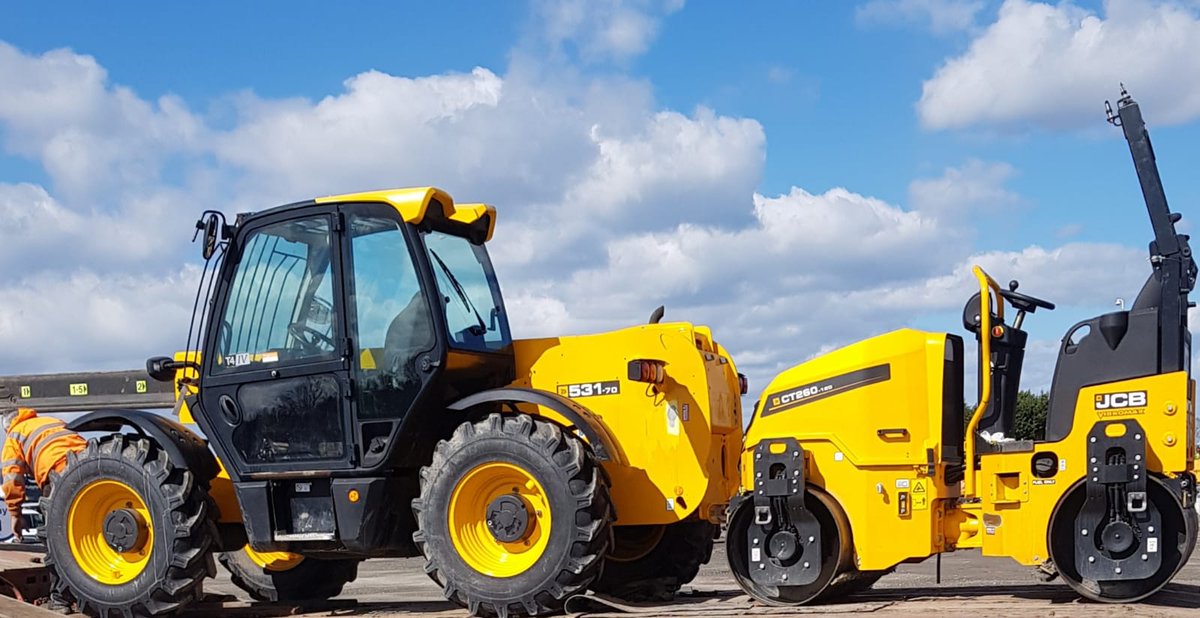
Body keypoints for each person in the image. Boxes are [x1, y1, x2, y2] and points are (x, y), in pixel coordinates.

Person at [2, 407, 87, 614]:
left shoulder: (15, 434)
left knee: (57, 542)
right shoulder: (50, 421)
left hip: (58, 475)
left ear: (7, 426)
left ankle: (60, 600)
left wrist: (15, 514)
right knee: (86, 538)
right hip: (89, 467)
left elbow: (12, 478)